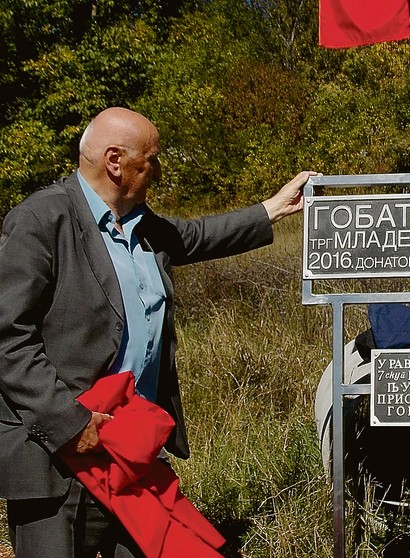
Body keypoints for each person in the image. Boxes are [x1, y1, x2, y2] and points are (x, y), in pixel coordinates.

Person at [0, 106, 318, 557]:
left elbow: (198, 236)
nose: (161, 172)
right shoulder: (41, 220)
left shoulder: (142, 226)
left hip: (129, 448)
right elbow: (7, 337)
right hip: (59, 455)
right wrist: (71, 425)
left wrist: (274, 208)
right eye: (152, 160)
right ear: (115, 161)